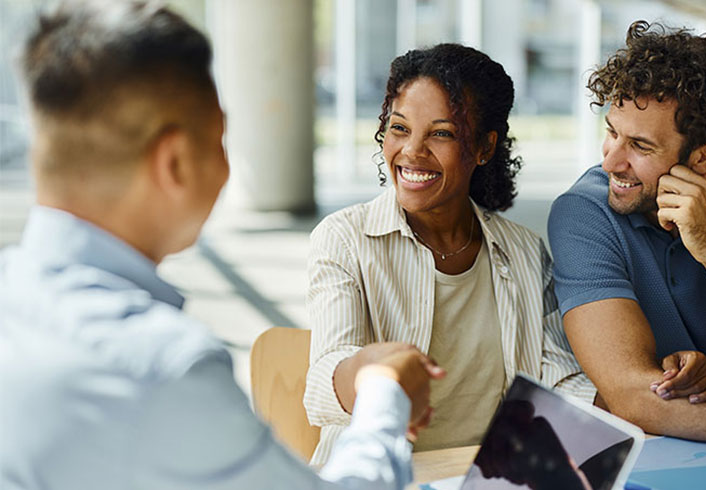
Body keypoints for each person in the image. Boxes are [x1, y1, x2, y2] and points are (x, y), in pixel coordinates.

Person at [0, 2, 444, 489]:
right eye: (219, 142)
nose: (227, 169)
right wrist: (384, 393)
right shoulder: (162, 369)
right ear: (174, 163)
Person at [304, 43, 589, 464]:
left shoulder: (526, 253)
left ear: (484, 147)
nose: (412, 152)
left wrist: (653, 397)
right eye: (399, 128)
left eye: (441, 133)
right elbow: (324, 380)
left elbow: (559, 383)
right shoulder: (345, 239)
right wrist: (370, 370)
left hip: (493, 478)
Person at [547, 20, 706, 452]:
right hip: (652, 457)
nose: (612, 161)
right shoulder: (582, 213)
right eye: (611, 132)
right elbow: (634, 397)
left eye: (640, 146)